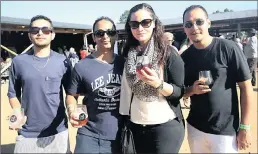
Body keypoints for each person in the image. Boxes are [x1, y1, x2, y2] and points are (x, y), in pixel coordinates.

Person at [181, 5, 253, 153]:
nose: (194, 27)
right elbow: (180, 92)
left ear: (208, 23)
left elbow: (246, 88)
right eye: (189, 24)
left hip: (225, 131)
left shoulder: (228, 48)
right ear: (184, 29)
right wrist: (192, 90)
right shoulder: (184, 58)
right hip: (196, 129)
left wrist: (245, 127)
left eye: (199, 22)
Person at [119, 3, 185, 153]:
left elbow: (179, 92)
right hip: (135, 126)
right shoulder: (128, 53)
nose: (140, 28)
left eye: (145, 22)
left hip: (164, 127)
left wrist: (157, 84)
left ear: (154, 23)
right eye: (134, 24)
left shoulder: (168, 53)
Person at [7, 15, 71, 153]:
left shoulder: (63, 61)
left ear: (52, 34)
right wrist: (17, 113)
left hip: (58, 132)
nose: (40, 33)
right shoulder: (19, 62)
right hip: (27, 133)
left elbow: (71, 93)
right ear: (30, 35)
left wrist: (73, 109)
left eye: (45, 30)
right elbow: (13, 93)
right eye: (35, 30)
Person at [66, 16, 124, 153]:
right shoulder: (81, 66)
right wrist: (71, 111)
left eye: (110, 32)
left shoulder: (125, 64)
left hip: (120, 134)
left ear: (115, 34)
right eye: (100, 33)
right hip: (89, 134)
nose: (105, 36)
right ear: (94, 37)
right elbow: (71, 95)